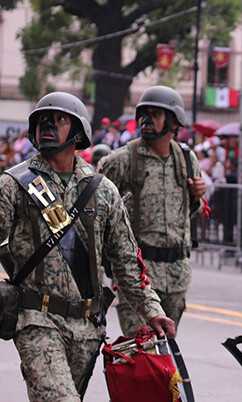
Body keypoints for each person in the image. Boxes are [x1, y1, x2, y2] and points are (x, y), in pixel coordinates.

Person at [0, 92, 174, 401]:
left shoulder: (101, 189)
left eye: (59, 120)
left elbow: (126, 260)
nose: (48, 126)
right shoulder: (14, 184)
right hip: (37, 321)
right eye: (41, 121)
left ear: (78, 132)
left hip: (87, 327)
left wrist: (152, 310)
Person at [99, 85, 205, 335]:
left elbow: (187, 214)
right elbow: (95, 215)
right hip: (137, 274)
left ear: (174, 121)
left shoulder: (187, 160)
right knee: (140, 358)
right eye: (143, 114)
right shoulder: (121, 160)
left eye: (155, 114)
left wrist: (197, 197)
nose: (146, 120)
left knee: (163, 359)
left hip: (177, 275)